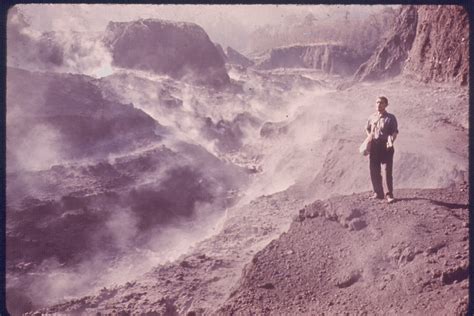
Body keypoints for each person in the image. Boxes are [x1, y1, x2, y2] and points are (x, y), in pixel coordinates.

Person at [365, 96, 398, 203]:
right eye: (377, 102)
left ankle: (389, 195)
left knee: (386, 171)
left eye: (381, 103)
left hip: (386, 146)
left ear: (386, 105)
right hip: (375, 146)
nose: (379, 104)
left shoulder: (391, 118)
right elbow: (367, 128)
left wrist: (391, 141)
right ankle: (378, 193)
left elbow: (394, 131)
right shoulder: (371, 117)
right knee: (374, 170)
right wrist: (369, 137)